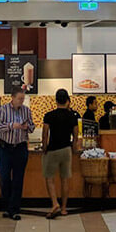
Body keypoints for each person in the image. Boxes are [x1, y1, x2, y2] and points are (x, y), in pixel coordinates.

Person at [0, 88, 34, 220]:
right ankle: (6, 207)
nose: (21, 102)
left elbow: (32, 127)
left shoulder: (26, 111)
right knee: (4, 178)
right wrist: (11, 125)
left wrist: (27, 126)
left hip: (20, 148)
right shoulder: (3, 110)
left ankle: (15, 209)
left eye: (23, 99)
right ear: (12, 97)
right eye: (19, 99)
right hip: (5, 148)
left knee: (18, 179)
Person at [42, 89, 80, 219]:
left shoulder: (49, 115)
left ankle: (54, 204)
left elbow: (45, 133)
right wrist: (74, 147)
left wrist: (44, 147)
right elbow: (76, 135)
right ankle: (64, 208)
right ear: (67, 100)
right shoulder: (72, 116)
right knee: (65, 179)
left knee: (49, 178)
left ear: (56, 100)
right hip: (66, 150)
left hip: (52, 150)